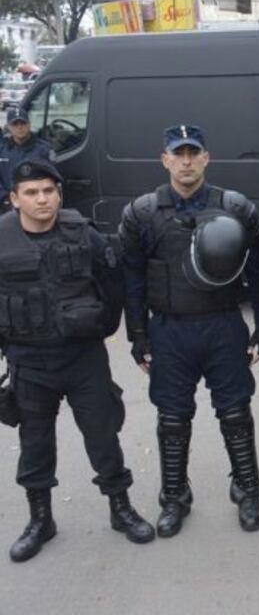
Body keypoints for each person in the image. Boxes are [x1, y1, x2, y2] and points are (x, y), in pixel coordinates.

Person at [119, 125, 259, 537]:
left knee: (236, 413)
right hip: (169, 329)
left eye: (193, 153)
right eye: (178, 154)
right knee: (172, 418)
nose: (186, 162)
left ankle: (247, 489)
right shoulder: (142, 213)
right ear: (164, 159)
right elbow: (131, 279)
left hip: (223, 325)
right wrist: (137, 335)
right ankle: (174, 497)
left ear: (206, 158)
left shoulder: (234, 208)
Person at [0, 160, 154, 562]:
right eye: (31, 192)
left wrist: (99, 326)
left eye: (48, 191)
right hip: (29, 361)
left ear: (58, 194)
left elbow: (113, 286)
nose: (42, 199)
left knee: (103, 436)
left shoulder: (83, 234)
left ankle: (121, 509)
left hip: (83, 358)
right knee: (35, 443)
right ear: (14, 198)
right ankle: (40, 520)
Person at [0, 108, 54, 212]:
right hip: (7, 204)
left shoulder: (43, 150)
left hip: (37, 203)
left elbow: (51, 178)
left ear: (29, 125)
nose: (19, 127)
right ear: (8, 127)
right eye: (15, 124)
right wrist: (5, 198)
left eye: (23, 123)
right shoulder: (2, 150)